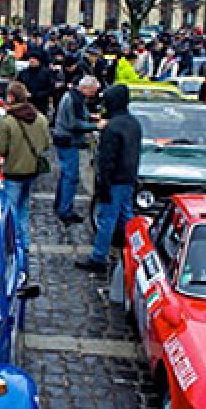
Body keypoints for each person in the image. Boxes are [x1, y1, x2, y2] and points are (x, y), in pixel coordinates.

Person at [77, 85, 140, 274]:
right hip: (128, 177)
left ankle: (99, 257)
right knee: (126, 217)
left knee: (107, 219)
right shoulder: (134, 124)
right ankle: (135, 252)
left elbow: (107, 161)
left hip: (114, 180)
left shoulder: (112, 127)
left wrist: (103, 184)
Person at [0, 82, 50, 255]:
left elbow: (1, 149)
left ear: (11, 97)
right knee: (24, 208)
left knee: (11, 209)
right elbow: (46, 144)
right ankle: (25, 243)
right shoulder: (40, 119)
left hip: (13, 171)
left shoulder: (7, 122)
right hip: (32, 170)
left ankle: (13, 243)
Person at [54, 75, 101, 224]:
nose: (93, 95)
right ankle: (65, 210)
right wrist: (95, 126)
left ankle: (61, 205)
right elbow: (74, 124)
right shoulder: (73, 100)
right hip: (68, 141)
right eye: (93, 91)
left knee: (66, 176)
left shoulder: (73, 97)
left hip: (64, 140)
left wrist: (91, 117)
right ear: (85, 88)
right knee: (70, 177)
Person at [16, 52, 57, 116]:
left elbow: (51, 89)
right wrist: (22, 93)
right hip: (25, 103)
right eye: (30, 58)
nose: (32, 60)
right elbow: (17, 85)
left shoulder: (46, 73)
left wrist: (34, 95)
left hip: (40, 104)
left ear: (39, 61)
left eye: (34, 59)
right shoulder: (23, 73)